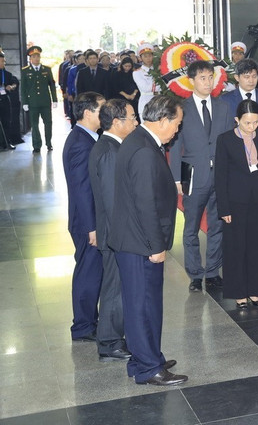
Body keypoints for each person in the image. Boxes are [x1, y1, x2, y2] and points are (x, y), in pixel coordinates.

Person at [110, 95, 187, 386]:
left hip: (135, 240)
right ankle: (148, 367)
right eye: (177, 124)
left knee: (145, 303)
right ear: (163, 120)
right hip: (140, 243)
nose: (177, 130)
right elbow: (145, 203)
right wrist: (156, 246)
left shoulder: (142, 140)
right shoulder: (143, 149)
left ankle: (146, 356)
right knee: (142, 305)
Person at [168, 60, 233, 292]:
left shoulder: (224, 107)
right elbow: (175, 146)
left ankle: (213, 271)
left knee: (217, 225)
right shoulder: (181, 109)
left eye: (210, 77)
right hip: (193, 175)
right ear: (191, 80)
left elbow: (229, 142)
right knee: (191, 227)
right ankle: (195, 274)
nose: (207, 82)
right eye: (202, 78)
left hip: (221, 175)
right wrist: (177, 178)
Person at [88, 98, 138, 361]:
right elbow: (113, 201)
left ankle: (115, 337)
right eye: (132, 117)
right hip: (115, 234)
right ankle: (109, 342)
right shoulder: (109, 152)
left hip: (116, 232)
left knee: (117, 287)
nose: (136, 122)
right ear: (117, 122)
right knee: (114, 289)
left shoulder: (112, 146)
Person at [215, 100, 258, 308]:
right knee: (236, 247)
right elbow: (220, 176)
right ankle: (238, 292)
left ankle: (256, 290)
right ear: (237, 120)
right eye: (247, 123)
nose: (252, 127)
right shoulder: (225, 140)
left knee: (257, 246)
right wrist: (223, 207)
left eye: (256, 122)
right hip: (235, 201)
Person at [64, 92, 106, 345]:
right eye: (102, 109)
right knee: (88, 273)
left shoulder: (86, 137)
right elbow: (81, 189)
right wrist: (92, 227)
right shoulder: (81, 143)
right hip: (86, 222)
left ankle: (89, 320)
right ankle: (82, 326)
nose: (106, 114)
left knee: (91, 271)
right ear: (88, 113)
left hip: (88, 219)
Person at [21, 45, 58, 152]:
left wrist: (55, 99)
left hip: (45, 101)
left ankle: (49, 143)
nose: (36, 58)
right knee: (34, 125)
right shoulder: (25, 71)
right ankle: (36, 145)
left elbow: (52, 85)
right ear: (30, 58)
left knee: (48, 123)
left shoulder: (46, 69)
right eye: (34, 56)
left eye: (38, 56)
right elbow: (23, 88)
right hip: (32, 102)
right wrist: (25, 102)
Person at [0, 52, 20, 148]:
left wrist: (12, 86)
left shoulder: (7, 74)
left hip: (5, 100)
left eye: (4, 61)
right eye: (2, 61)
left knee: (7, 121)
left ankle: (7, 142)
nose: (4, 63)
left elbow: (14, 82)